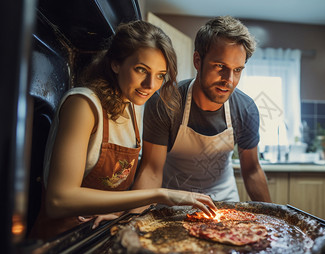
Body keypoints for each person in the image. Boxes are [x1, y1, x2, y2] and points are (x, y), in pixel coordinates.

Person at [31, 20, 216, 240]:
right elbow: (59, 200)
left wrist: (119, 212)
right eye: (141, 70)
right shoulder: (83, 105)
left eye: (160, 75)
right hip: (60, 243)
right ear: (116, 63)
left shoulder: (132, 106)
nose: (150, 85)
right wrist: (161, 194)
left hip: (98, 235)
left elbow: (112, 192)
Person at [133, 16, 271, 203]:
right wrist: (132, 217)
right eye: (220, 66)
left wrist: (273, 218)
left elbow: (252, 170)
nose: (229, 79)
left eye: (237, 70)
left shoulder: (246, 110)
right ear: (197, 61)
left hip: (225, 203)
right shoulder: (165, 103)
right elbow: (151, 170)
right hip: (173, 204)